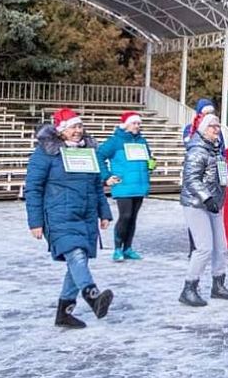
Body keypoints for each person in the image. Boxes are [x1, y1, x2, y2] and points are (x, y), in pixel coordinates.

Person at [25, 108, 114, 329]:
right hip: (58, 215)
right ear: (62, 130)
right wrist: (35, 221)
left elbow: (95, 185)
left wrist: (104, 212)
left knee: (77, 261)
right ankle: (92, 295)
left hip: (85, 215)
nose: (78, 131)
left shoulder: (87, 151)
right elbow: (33, 188)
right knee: (76, 255)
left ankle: (64, 313)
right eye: (73, 127)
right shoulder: (46, 152)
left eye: (80, 126)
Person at [179, 113, 228, 306]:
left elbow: (220, 171)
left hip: (214, 204)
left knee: (221, 246)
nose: (217, 129)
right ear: (203, 129)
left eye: (218, 126)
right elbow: (192, 180)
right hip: (196, 205)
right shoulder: (197, 151)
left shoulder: (215, 150)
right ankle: (189, 287)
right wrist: (207, 197)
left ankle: (218, 283)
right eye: (213, 126)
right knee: (204, 247)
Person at [97, 111, 155, 262]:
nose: (137, 126)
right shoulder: (115, 141)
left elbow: (148, 158)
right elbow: (99, 155)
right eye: (134, 123)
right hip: (123, 185)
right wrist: (107, 176)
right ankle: (117, 248)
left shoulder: (142, 141)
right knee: (125, 216)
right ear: (126, 125)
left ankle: (127, 248)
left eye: (139, 124)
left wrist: (150, 164)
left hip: (140, 185)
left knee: (133, 218)